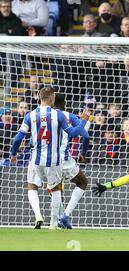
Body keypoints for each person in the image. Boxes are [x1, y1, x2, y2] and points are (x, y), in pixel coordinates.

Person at [10, 87, 91, 229]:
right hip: (58, 160)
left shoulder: (30, 115)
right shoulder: (62, 115)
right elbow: (77, 134)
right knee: (58, 188)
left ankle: (39, 215)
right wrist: (84, 122)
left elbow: (18, 138)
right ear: (51, 98)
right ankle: (57, 221)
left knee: (33, 186)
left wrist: (13, 154)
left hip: (36, 159)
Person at [53, 94, 91, 229]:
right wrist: (83, 154)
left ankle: (58, 218)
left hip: (46, 160)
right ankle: (65, 216)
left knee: (55, 188)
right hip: (65, 160)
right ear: (64, 104)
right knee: (82, 182)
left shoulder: (42, 116)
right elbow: (85, 136)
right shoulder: (69, 116)